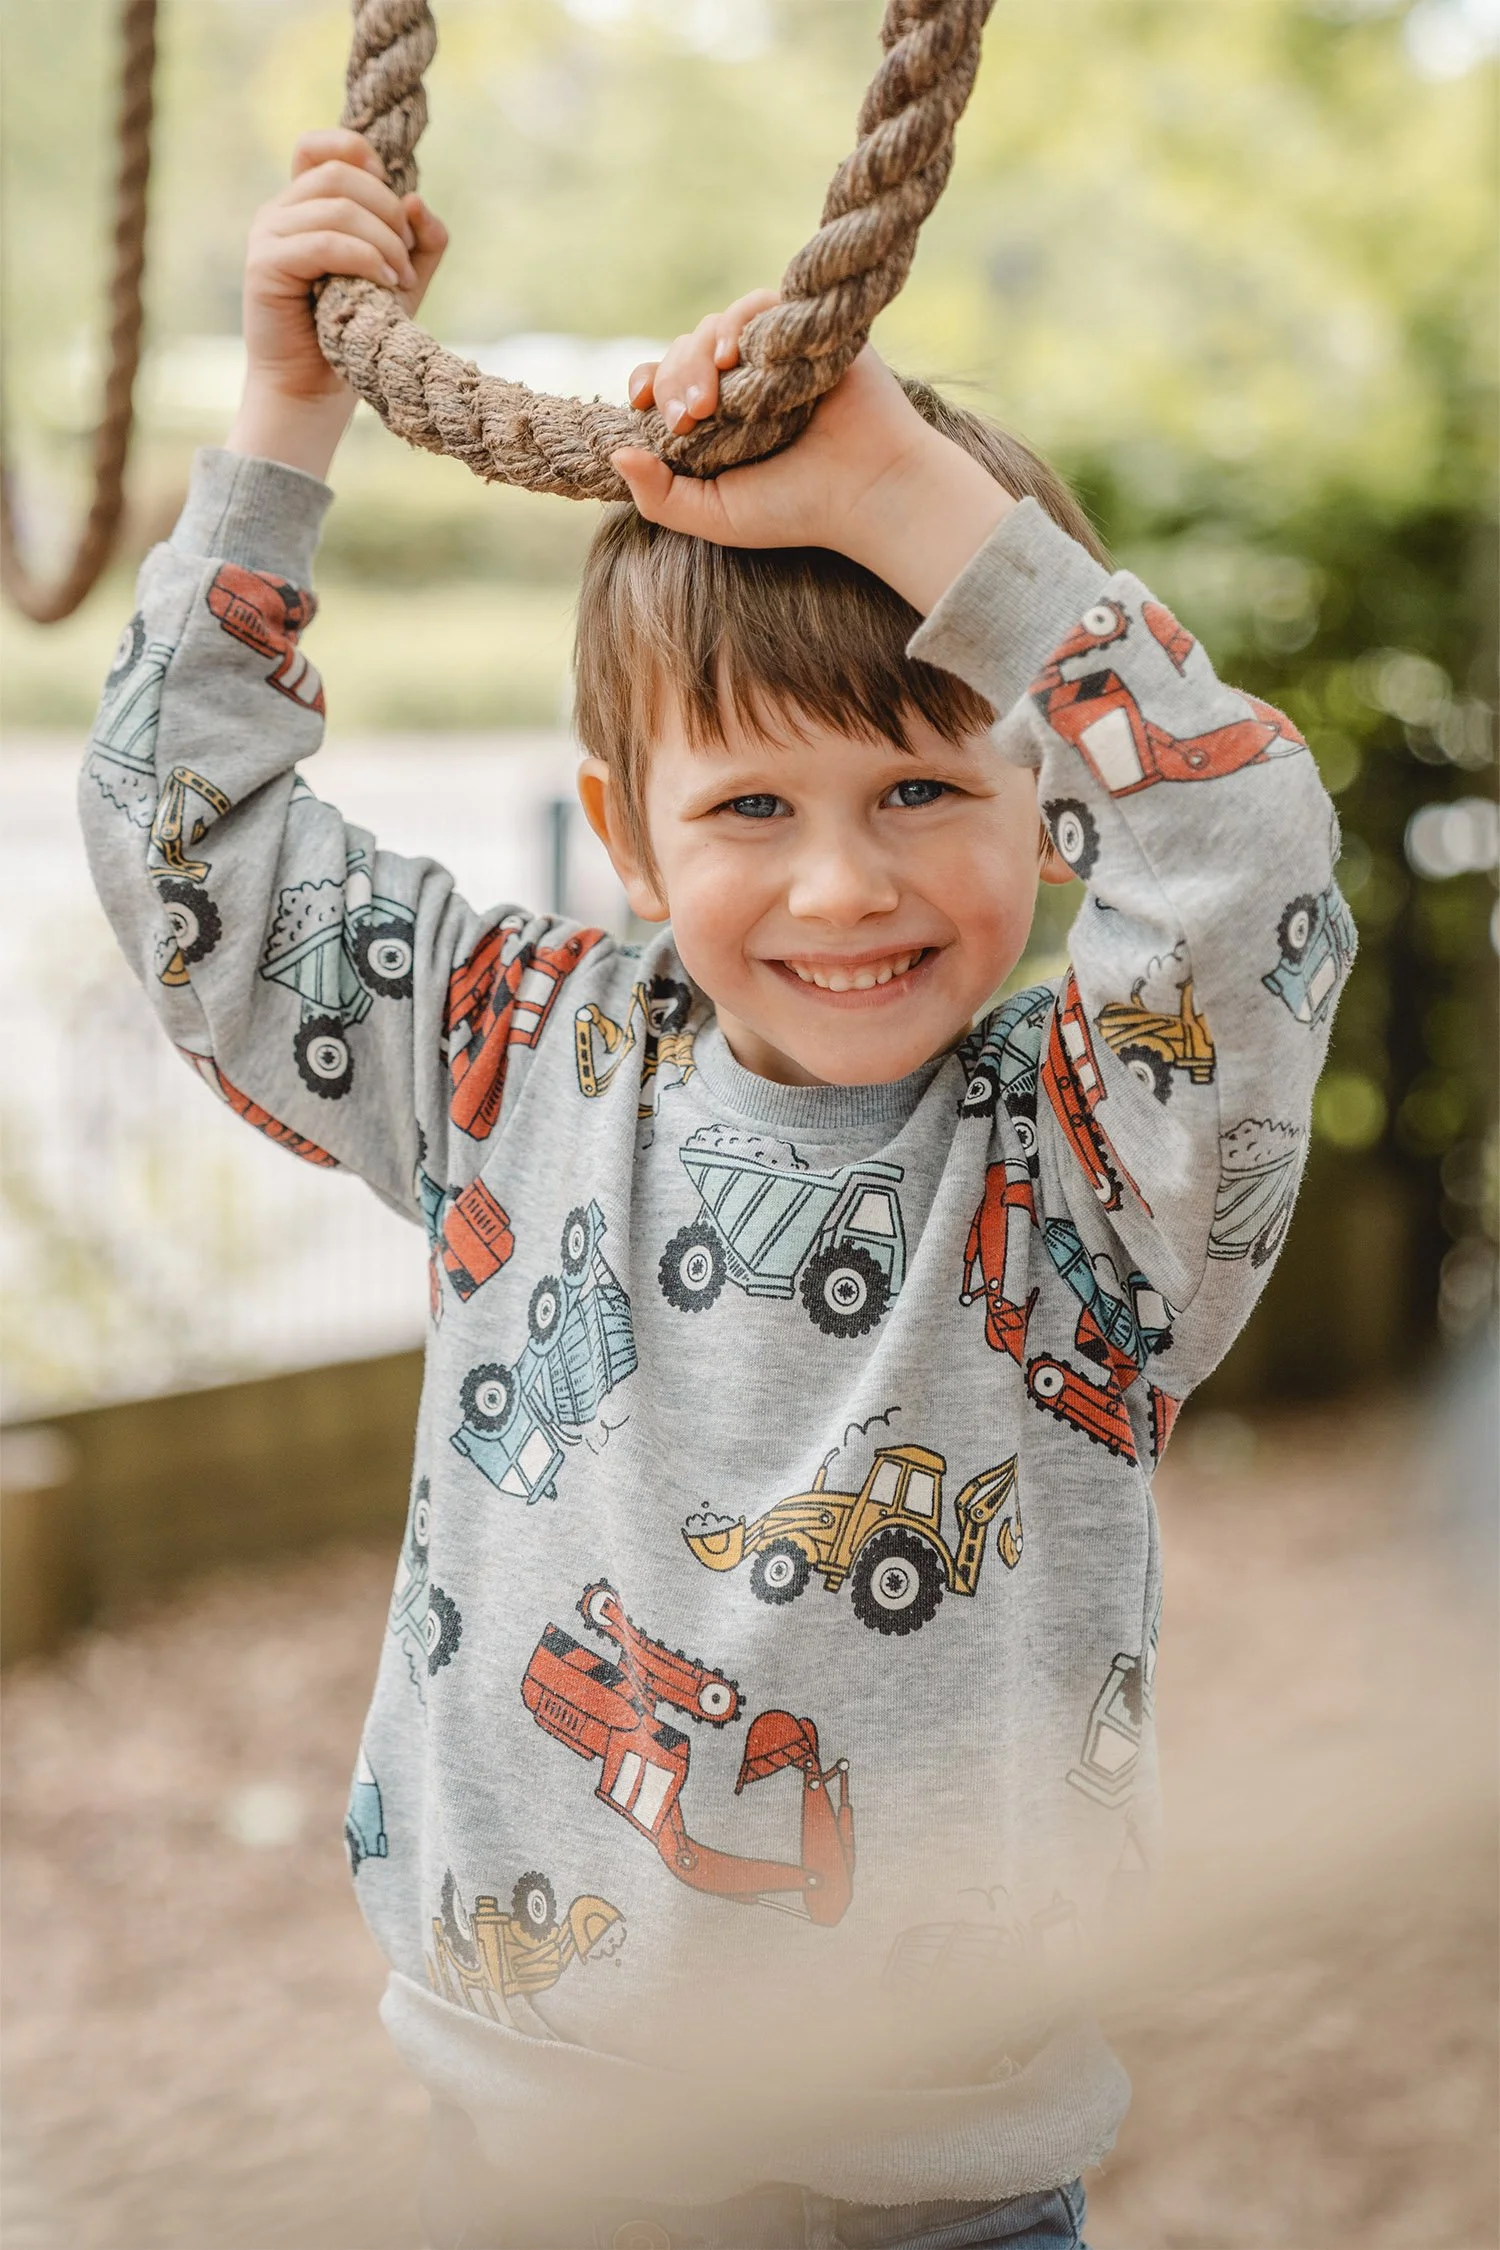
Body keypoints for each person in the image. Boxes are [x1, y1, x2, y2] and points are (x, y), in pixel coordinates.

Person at [81, 128, 1352, 2250]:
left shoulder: (1098, 1164)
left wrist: (910, 501)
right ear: (630, 834)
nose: (844, 884)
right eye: (753, 803)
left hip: (941, 2191)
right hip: (534, 2162)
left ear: (1047, 807)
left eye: (923, 785)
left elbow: (1244, 858)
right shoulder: (511, 1059)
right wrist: (281, 426)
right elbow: (182, 847)